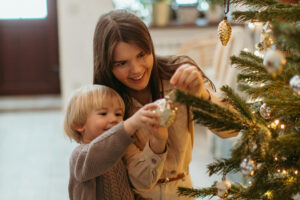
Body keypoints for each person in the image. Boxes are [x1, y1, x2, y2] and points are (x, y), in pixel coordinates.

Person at [93, 9, 238, 199]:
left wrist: (201, 95)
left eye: (142, 55)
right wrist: (156, 144)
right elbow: (138, 180)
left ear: (150, 47)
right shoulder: (106, 106)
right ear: (107, 65)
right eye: (121, 63)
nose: (136, 69)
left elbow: (232, 128)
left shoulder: (176, 77)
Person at [64, 84, 164, 200]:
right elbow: (99, 153)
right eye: (103, 113)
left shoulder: (118, 153)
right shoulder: (80, 155)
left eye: (118, 114)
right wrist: (129, 125)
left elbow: (126, 191)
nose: (114, 119)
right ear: (79, 124)